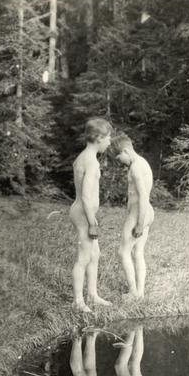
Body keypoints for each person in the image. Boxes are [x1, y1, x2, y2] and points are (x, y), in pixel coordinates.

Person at [70, 118, 113, 312]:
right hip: (83, 213)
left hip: (84, 212)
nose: (110, 142)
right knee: (84, 257)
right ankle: (78, 301)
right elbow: (87, 196)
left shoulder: (83, 157)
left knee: (95, 254)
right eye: (108, 138)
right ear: (98, 138)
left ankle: (92, 294)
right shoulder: (91, 162)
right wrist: (91, 222)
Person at [111, 132, 154, 301]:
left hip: (139, 212)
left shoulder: (136, 167)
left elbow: (142, 196)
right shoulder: (143, 162)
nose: (119, 161)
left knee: (123, 252)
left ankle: (133, 292)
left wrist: (139, 224)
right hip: (148, 211)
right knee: (138, 253)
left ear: (126, 151)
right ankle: (140, 292)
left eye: (119, 157)